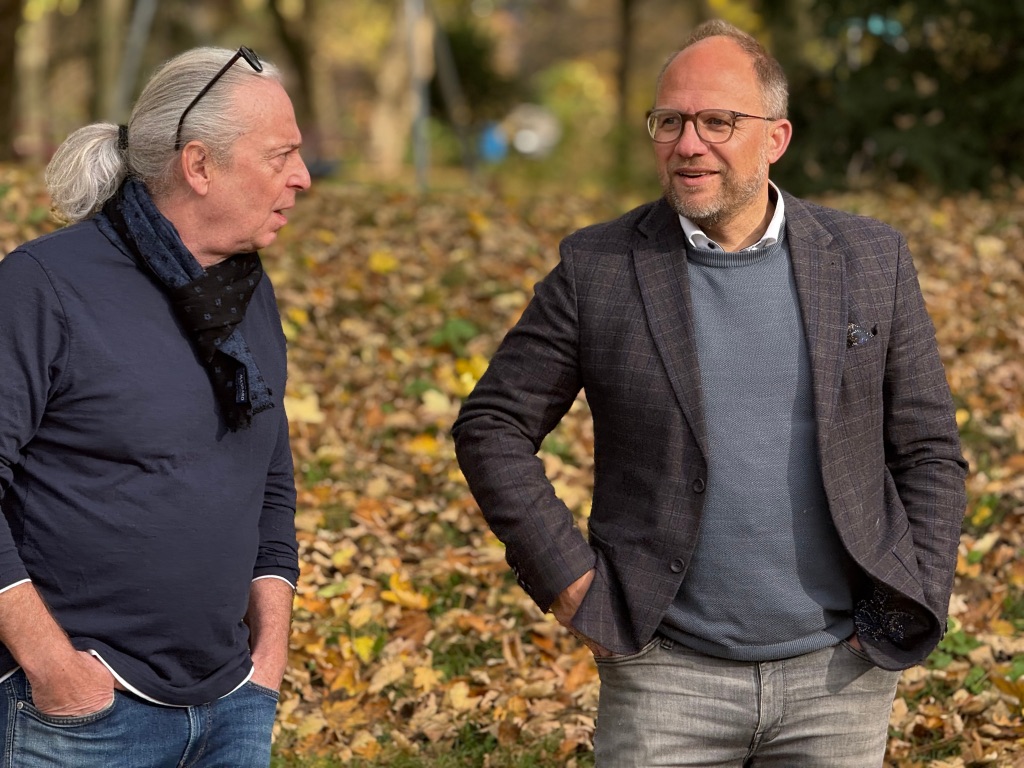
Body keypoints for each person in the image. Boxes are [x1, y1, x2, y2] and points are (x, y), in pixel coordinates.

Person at [453, 19, 967, 767]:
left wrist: (910, 595)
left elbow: (928, 449)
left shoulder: (869, 258)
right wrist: (570, 585)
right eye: (670, 121)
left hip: (838, 678)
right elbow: (493, 425)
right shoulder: (600, 268)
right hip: (666, 677)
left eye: (718, 121)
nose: (688, 143)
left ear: (776, 137)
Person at [0, 45, 310, 767]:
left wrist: (268, 658)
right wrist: (55, 671)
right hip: (81, 717)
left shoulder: (245, 291)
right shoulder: (42, 286)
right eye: (279, 156)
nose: (300, 178)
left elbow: (269, 480)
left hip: (233, 702)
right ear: (199, 167)